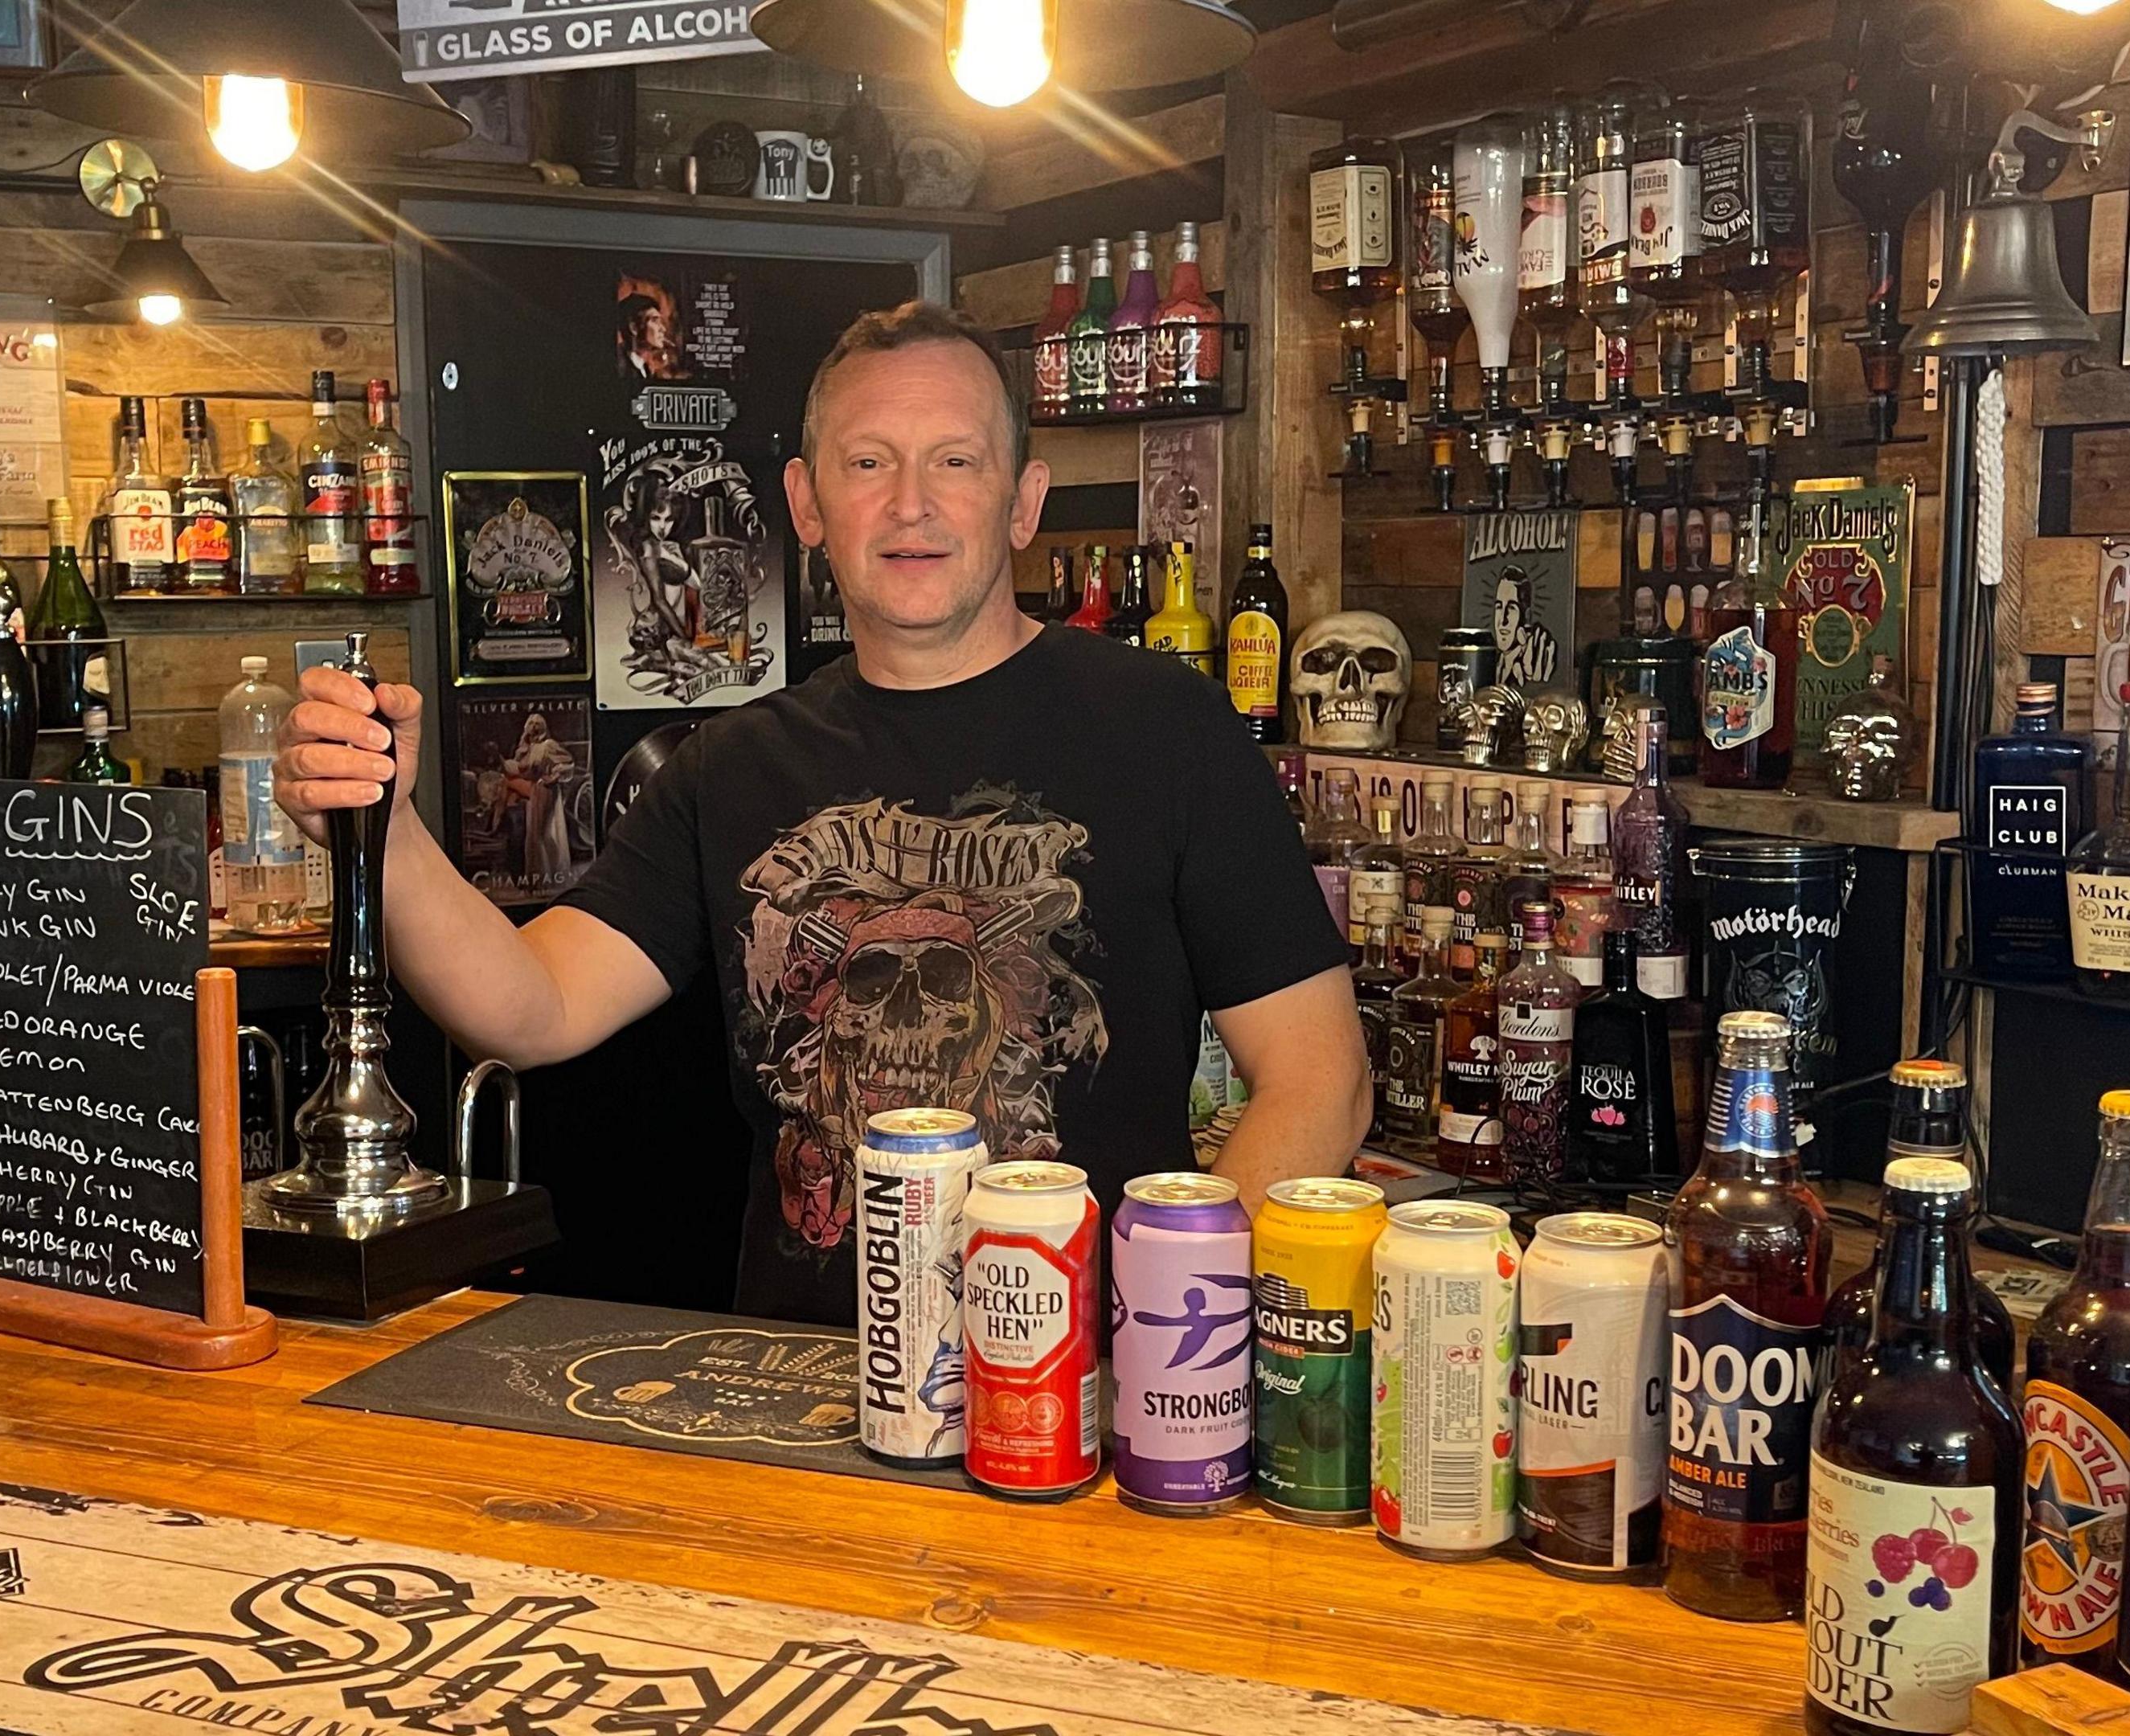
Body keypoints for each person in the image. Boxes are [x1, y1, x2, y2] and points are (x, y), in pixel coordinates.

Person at [278, 301, 1367, 1321]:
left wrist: (1161, 1326)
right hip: (806, 1399)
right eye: (867, 464)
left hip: (1082, 1398)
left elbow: (1323, 1083)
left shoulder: (1167, 729)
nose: (911, 504)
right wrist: (384, 824)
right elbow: (531, 1007)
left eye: (955, 460)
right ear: (805, 505)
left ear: (1023, 501)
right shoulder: (732, 765)